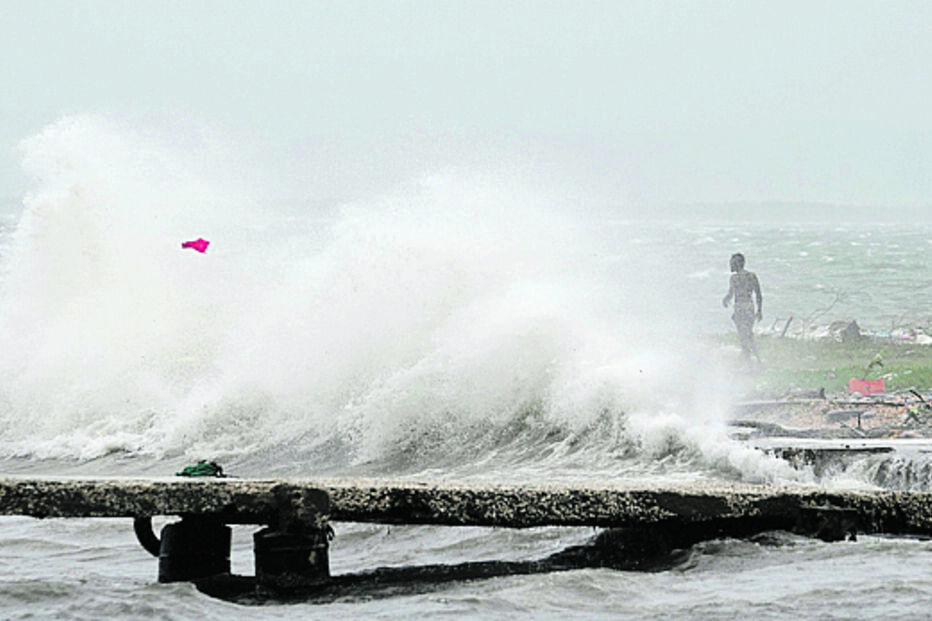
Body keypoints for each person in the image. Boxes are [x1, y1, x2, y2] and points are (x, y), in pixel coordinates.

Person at [722, 253, 762, 364]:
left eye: (732, 263)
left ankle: (748, 360)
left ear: (737, 264)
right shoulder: (752, 276)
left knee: (743, 336)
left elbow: (731, 294)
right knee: (749, 334)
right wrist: (759, 310)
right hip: (749, 307)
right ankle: (757, 360)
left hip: (739, 308)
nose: (730, 266)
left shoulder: (734, 278)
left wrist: (725, 300)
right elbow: (758, 294)